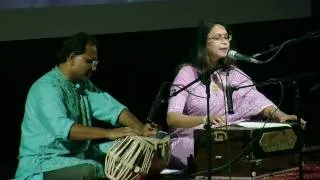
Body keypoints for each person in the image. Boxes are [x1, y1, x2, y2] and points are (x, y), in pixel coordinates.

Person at [15, 32, 157, 180]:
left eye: (96, 62)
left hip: (81, 155)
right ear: (71, 58)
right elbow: (63, 128)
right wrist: (110, 133)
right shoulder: (45, 88)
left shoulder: (82, 84)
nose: (94, 68)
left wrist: (140, 130)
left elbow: (113, 109)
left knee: (136, 148)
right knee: (89, 171)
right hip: (44, 163)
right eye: (89, 61)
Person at [166, 19, 300, 169]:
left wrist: (281, 115)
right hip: (191, 143)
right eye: (217, 38)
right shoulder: (187, 74)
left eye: (226, 37)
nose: (224, 42)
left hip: (232, 142)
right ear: (203, 43)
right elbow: (172, 118)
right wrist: (205, 119)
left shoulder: (233, 73)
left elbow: (257, 100)